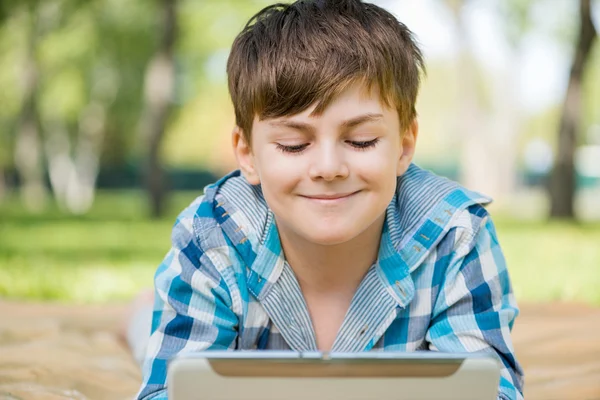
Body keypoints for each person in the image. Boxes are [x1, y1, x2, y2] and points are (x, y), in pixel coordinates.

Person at [133, 0, 524, 399]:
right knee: (142, 333)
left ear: (404, 145)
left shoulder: (454, 235)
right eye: (293, 145)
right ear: (247, 154)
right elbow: (166, 391)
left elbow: (494, 391)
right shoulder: (211, 238)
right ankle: (140, 313)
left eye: (361, 141)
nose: (328, 167)